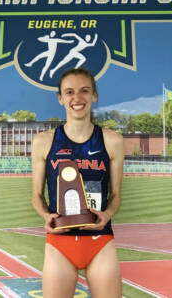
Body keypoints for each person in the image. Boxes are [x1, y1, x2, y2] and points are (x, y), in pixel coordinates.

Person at [31, 68, 124, 298]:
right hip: (59, 242)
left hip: (99, 240)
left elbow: (116, 195)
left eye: (84, 91)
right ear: (60, 98)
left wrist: (107, 214)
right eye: (69, 92)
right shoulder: (44, 142)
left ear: (94, 95)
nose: (77, 98)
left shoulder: (112, 141)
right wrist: (45, 216)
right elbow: (36, 195)